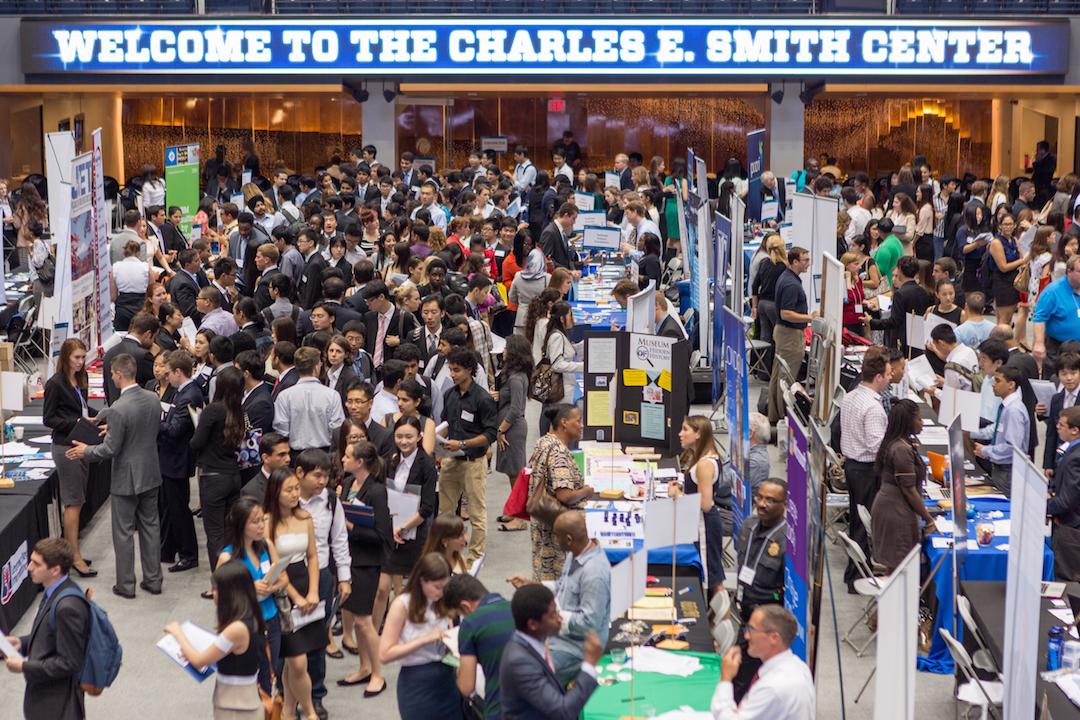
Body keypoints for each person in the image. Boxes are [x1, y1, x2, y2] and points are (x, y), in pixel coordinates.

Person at [67, 354, 163, 599]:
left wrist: (85, 451)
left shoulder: (119, 409)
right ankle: (153, 580)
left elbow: (110, 449)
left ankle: (126, 584)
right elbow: (143, 427)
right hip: (151, 472)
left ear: (119, 375)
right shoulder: (153, 398)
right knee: (151, 528)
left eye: (112, 374)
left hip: (126, 478)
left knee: (123, 532)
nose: (111, 378)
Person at [164, 560, 267, 720]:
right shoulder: (250, 616)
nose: (213, 594)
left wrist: (178, 634)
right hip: (242, 703)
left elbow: (199, 661)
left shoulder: (236, 629)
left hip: (235, 708)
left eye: (216, 589)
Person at [2, 538, 91, 720]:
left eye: (36, 564)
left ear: (55, 570)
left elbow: (70, 662)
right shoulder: (53, 590)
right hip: (43, 694)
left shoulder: (68, 607)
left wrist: (24, 666)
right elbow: (51, 633)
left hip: (56, 703)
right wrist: (22, 642)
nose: (28, 567)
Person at [293, 450, 351, 717]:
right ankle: (288, 694)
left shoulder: (330, 500)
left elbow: (339, 539)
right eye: (318, 475)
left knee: (317, 637)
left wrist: (345, 577)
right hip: (291, 576)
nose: (322, 481)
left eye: (326, 475)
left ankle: (316, 695)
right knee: (289, 639)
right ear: (300, 473)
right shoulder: (287, 500)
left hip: (323, 574)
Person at [263, 468, 322, 720]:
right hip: (281, 591)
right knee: (297, 661)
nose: (295, 494)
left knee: (294, 661)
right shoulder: (266, 522)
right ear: (276, 492)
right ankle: (309, 713)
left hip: (304, 580)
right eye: (289, 490)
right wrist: (296, 597)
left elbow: (313, 556)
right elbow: (274, 567)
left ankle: (288, 710)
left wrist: (314, 590)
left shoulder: (305, 517)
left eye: (296, 488)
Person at [218, 496, 288, 696]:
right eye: (255, 521)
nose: (261, 526)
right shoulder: (228, 557)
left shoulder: (266, 546)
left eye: (262, 520)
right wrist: (249, 588)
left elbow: (283, 579)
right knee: (249, 681)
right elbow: (217, 595)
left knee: (268, 676)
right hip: (245, 625)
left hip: (271, 619)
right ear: (241, 525)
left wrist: (270, 588)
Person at [498, 583, 600, 720]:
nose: (559, 618)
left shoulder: (532, 644)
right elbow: (562, 711)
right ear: (533, 624)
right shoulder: (520, 662)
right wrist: (589, 664)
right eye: (552, 615)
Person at [337, 440, 392, 695]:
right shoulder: (348, 484)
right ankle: (364, 667)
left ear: (360, 462)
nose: (343, 460)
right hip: (348, 558)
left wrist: (350, 527)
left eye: (347, 457)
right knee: (358, 622)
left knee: (364, 621)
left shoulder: (377, 491)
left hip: (367, 562)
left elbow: (381, 535)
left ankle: (378, 673)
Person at [379, 553, 461, 720]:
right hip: (417, 682)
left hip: (447, 678)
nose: (441, 592)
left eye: (444, 587)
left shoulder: (442, 601)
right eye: (437, 587)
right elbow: (385, 654)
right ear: (421, 580)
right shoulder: (402, 605)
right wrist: (424, 639)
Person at [438, 347, 498, 564]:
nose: (452, 374)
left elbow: (490, 434)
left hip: (474, 462)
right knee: (445, 512)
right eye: (450, 369)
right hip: (450, 460)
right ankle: (447, 555)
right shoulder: (449, 395)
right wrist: (438, 443)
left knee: (476, 512)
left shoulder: (483, 399)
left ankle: (475, 557)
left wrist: (463, 443)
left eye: (456, 370)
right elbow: (446, 424)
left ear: (469, 370)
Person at [43, 339, 97, 578]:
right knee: (73, 502)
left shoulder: (81, 378)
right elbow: (49, 418)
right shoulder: (55, 384)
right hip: (66, 447)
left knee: (78, 500)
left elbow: (82, 409)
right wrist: (75, 422)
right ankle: (73, 556)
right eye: (76, 357)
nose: (80, 362)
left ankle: (72, 552)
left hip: (81, 443)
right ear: (65, 357)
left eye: (83, 357)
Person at [732, 478, 788, 699]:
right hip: (745, 614)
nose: (762, 504)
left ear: (784, 504)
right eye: (760, 497)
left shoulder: (786, 541)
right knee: (741, 676)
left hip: (766, 625)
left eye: (771, 500)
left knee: (743, 681)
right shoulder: (748, 525)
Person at [190, 366, 245, 584]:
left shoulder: (213, 410)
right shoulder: (238, 410)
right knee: (230, 530)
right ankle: (234, 575)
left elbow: (196, 442)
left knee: (214, 534)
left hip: (212, 477)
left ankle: (219, 583)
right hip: (233, 476)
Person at [711, 605, 815, 720]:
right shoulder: (798, 666)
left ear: (774, 638)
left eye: (752, 630)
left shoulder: (773, 687)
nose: (746, 636)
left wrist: (726, 678)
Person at [526, 405, 593, 581]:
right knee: (556, 580)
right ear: (564, 423)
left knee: (542, 572)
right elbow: (565, 496)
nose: (582, 425)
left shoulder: (544, 442)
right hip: (556, 531)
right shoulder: (558, 453)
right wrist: (586, 491)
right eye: (578, 421)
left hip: (541, 523)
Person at [669, 416, 728, 595]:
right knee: (712, 575)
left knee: (713, 579)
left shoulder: (704, 465)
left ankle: (721, 620)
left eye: (685, 429)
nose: (680, 434)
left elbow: (705, 504)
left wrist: (678, 495)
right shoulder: (704, 457)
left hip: (705, 525)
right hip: (700, 523)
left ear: (698, 434)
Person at [444, 574, 515, 720]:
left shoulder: (470, 623)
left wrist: (459, 671)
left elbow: (466, 686)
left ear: (465, 606)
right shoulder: (517, 608)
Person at [158, 350, 204, 574]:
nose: (167, 378)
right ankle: (169, 548)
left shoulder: (189, 395)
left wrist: (155, 418)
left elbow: (176, 430)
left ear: (178, 372)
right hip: (172, 459)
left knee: (179, 510)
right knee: (171, 507)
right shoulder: (184, 392)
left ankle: (188, 554)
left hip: (177, 460)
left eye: (169, 373)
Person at [384, 415, 439, 586]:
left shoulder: (427, 465)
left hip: (416, 532)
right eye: (399, 437)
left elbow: (427, 507)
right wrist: (391, 527)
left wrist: (403, 527)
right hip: (391, 530)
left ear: (419, 437)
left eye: (409, 437)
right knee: (387, 585)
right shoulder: (390, 461)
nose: (404, 441)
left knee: (417, 584)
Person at [768, 247, 812, 423]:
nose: (808, 263)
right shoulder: (791, 284)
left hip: (784, 333)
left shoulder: (788, 278)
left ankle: (774, 414)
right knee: (785, 378)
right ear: (795, 262)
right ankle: (782, 417)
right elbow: (786, 313)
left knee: (778, 375)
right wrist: (810, 317)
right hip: (790, 335)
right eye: (805, 260)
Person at [273, 347, 345, 455]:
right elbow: (337, 429)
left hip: (295, 455)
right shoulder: (332, 395)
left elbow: (281, 430)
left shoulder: (284, 396)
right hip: (324, 454)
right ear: (316, 367)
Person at [495, 335, 533, 531]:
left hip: (513, 429)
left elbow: (516, 408)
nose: (504, 351)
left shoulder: (518, 377)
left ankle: (520, 518)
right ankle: (513, 511)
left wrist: (502, 429)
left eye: (507, 348)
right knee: (512, 473)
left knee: (517, 474)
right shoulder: (513, 375)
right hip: (510, 428)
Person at [974, 366, 1030, 494]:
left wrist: (986, 450)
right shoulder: (1006, 407)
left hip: (1008, 472)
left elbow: (1012, 447)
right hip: (1002, 470)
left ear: (1011, 384)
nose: (993, 385)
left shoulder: (1013, 411)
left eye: (998, 381)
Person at [866, 256, 933, 351]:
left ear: (900, 270)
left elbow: (894, 321)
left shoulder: (900, 294)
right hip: (917, 337)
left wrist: (871, 322)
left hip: (902, 339)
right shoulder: (923, 291)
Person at [1048, 406, 1080, 580]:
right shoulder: (1071, 451)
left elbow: (1067, 500)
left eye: (1061, 425)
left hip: (1071, 531)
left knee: (1067, 579)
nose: (1057, 428)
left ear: (1075, 430)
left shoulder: (1075, 458)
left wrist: (1043, 507)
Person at [1032, 256, 1080, 366]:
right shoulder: (1052, 291)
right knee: (1056, 378)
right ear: (1069, 272)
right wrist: (1038, 343)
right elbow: (1039, 318)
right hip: (1058, 347)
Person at [750, 235, 787, 379]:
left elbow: (754, 286)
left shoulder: (765, 263)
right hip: (773, 304)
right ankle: (777, 373)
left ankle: (763, 373)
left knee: (765, 339)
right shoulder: (783, 267)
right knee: (779, 338)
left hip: (762, 304)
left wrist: (754, 306)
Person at [102, 311, 157, 404]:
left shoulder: (109, 353)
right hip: (137, 410)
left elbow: (107, 387)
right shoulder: (144, 356)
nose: (153, 342)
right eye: (154, 338)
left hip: (114, 409)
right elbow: (153, 386)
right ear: (148, 334)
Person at [1042, 353, 1080, 477]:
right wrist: (1048, 464)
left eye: (1073, 373)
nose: (1069, 378)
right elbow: (1051, 432)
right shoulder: (1056, 399)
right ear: (1058, 375)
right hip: (1059, 457)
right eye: (1064, 374)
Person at [987, 213, 1028, 325]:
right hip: (1002, 282)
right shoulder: (996, 242)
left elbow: (1021, 256)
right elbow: (1003, 267)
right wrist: (1022, 261)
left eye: (1010, 224)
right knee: (1003, 319)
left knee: (1009, 318)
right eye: (1005, 224)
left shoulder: (1014, 240)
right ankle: (1000, 341)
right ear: (1000, 226)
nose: (1008, 227)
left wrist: (1023, 261)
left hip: (1013, 281)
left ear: (1015, 225)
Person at [509, 247, 548, 333]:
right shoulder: (547, 277)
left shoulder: (518, 275)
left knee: (521, 345)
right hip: (540, 317)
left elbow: (512, 297)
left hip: (522, 318)